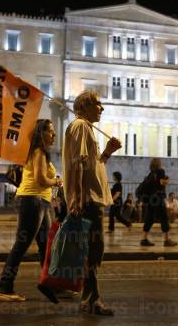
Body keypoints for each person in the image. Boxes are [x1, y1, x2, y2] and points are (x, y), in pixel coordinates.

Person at [62, 90, 122, 316]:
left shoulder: (86, 129)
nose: (102, 108)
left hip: (92, 199)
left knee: (92, 251)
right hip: (88, 200)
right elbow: (78, 163)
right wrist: (77, 198)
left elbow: (93, 166)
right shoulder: (80, 126)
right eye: (98, 104)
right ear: (84, 106)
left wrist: (107, 152)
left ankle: (89, 299)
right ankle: (91, 299)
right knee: (94, 251)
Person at [0, 119, 62, 303]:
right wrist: (56, 182)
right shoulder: (39, 152)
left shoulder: (41, 153)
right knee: (21, 245)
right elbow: (42, 180)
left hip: (41, 201)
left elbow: (48, 181)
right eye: (50, 131)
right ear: (41, 133)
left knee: (45, 246)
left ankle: (49, 284)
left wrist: (55, 192)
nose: (54, 134)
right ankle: (5, 287)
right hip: (32, 201)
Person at [140, 158, 178, 247]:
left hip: (150, 199)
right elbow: (162, 182)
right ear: (159, 164)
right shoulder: (160, 171)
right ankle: (166, 240)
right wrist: (167, 179)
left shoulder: (150, 174)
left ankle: (144, 239)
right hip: (158, 198)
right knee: (164, 217)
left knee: (150, 219)